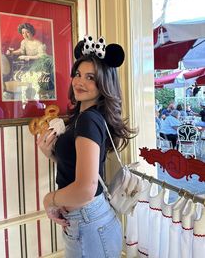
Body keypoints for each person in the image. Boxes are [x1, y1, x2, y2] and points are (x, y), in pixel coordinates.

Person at [37, 36, 137, 257]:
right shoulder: (83, 117)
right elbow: (80, 168)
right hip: (89, 221)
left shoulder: (88, 120)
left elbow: (85, 188)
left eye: (90, 77)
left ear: (104, 83)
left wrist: (49, 199)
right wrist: (50, 153)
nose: (79, 82)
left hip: (88, 223)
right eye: (77, 74)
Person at [5, 22, 54, 98]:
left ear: (31, 32)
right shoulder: (23, 42)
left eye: (27, 32)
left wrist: (28, 57)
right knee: (17, 76)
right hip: (28, 65)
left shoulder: (38, 43)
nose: (25, 35)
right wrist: (13, 52)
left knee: (31, 80)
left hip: (39, 65)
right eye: (23, 33)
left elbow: (42, 56)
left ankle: (36, 95)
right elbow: (21, 51)